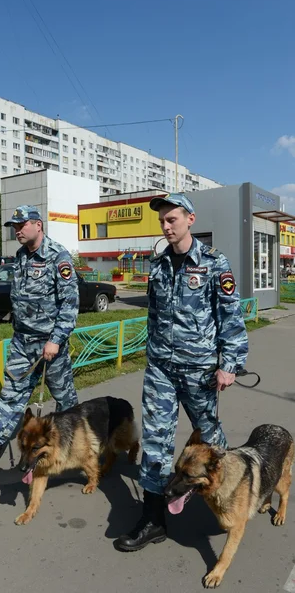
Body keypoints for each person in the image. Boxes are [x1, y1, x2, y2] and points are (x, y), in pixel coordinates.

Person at [116, 193, 249, 551]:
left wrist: (229, 363)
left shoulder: (214, 263)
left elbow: (230, 318)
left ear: (190, 219)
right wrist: (152, 354)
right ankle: (153, 518)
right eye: (162, 220)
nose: (166, 225)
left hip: (200, 372)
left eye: (172, 219)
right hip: (161, 369)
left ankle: (231, 496)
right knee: (157, 441)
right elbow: (154, 316)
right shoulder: (158, 266)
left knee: (209, 438)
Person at [0, 205, 79, 481]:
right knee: (9, 400)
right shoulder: (20, 256)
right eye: (14, 226)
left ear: (38, 225)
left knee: (65, 402)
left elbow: (70, 305)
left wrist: (55, 340)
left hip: (50, 348)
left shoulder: (59, 257)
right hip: (22, 344)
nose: (17, 230)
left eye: (21, 225)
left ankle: (75, 454)